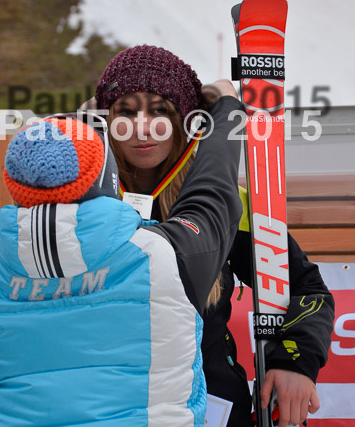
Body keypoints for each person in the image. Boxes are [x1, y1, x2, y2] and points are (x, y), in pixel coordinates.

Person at [0, 85, 243, 425]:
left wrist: (82, 124)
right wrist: (228, 109)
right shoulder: (161, 257)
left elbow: (38, 179)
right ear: (106, 177)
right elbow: (213, 191)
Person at [93, 44, 335, 427]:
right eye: (126, 111)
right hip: (108, 404)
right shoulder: (82, 201)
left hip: (213, 404)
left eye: (160, 110)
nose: (142, 127)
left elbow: (305, 290)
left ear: (188, 120)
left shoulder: (222, 206)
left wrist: (294, 362)